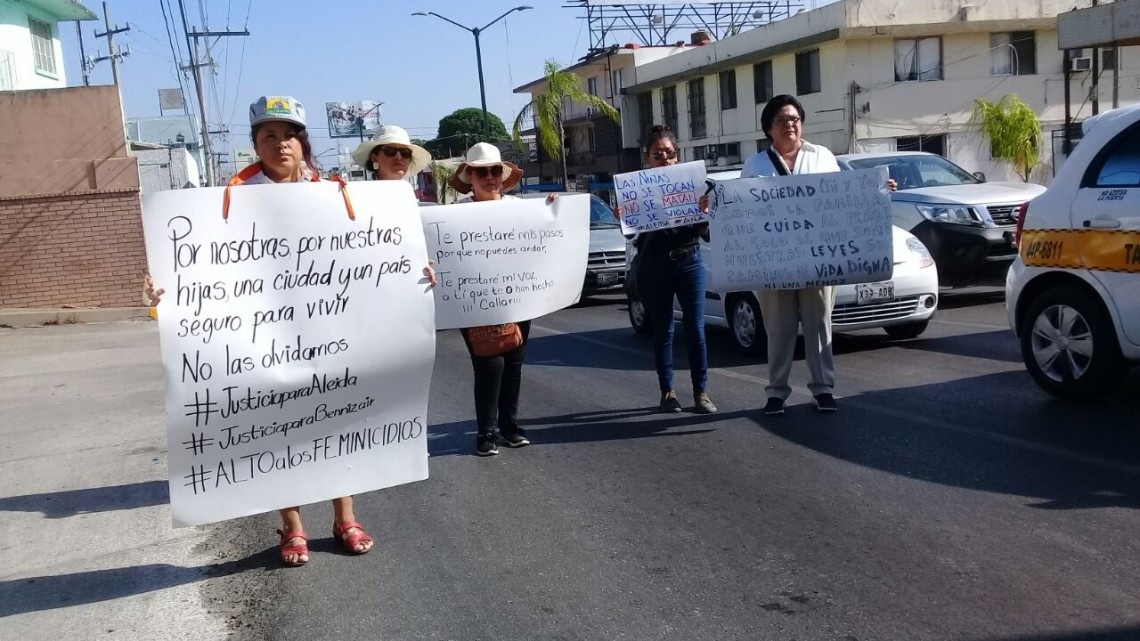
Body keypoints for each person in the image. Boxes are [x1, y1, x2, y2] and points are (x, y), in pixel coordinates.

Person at [147, 96, 433, 566]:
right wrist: (167, 296)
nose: (281, 145)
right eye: (269, 137)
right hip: (267, 342)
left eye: (289, 136)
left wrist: (415, 278)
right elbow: (200, 273)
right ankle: (293, 527)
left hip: (331, 334)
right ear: (257, 144)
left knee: (335, 425)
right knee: (280, 433)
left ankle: (346, 517)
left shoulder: (336, 195)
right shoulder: (227, 203)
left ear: (303, 142)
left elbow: (372, 260)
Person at [446, 143, 555, 456]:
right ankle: (486, 432)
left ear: (503, 175)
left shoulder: (521, 210)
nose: (490, 176)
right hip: (475, 300)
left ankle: (510, 427)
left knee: (514, 364)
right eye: (482, 171)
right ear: (470, 176)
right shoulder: (456, 215)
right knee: (488, 363)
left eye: (495, 170)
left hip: (517, 298)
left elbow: (546, 238)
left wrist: (554, 210)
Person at [741, 94, 842, 416]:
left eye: (795, 119)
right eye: (782, 120)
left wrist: (878, 191)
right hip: (775, 262)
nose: (790, 125)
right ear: (769, 128)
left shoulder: (823, 156)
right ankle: (776, 392)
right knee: (779, 329)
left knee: (819, 324)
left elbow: (845, 198)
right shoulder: (755, 165)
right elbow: (743, 211)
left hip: (818, 258)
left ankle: (823, 389)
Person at [616, 125, 717, 415]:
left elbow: (705, 231)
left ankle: (701, 392)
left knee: (696, 329)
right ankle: (668, 392)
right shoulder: (637, 189)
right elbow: (631, 235)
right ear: (648, 158)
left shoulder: (694, 183)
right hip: (655, 265)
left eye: (670, 153)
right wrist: (624, 218)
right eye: (658, 154)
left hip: (690, 261)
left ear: (678, 155)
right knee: (663, 330)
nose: (665, 159)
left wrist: (704, 212)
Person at [351, 125, 432, 182]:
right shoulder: (362, 197)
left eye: (405, 153)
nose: (398, 157)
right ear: (374, 158)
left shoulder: (410, 197)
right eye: (390, 151)